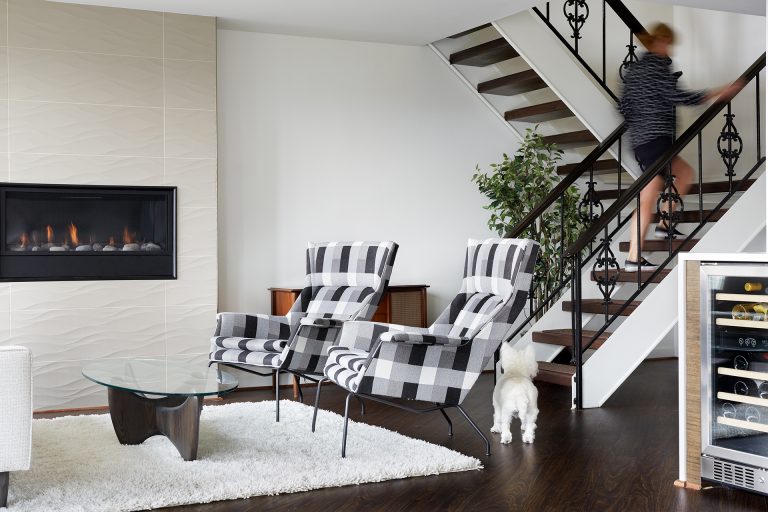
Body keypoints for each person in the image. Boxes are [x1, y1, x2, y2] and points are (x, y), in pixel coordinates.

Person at [619, 22, 742, 271]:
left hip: (642, 141)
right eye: (667, 43)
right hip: (656, 140)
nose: (669, 49)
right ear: (659, 42)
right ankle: (640, 250)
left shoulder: (634, 71)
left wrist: (642, 121)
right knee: (660, 188)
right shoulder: (657, 68)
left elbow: (623, 107)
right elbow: (682, 98)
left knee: (672, 180)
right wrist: (720, 92)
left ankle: (657, 232)